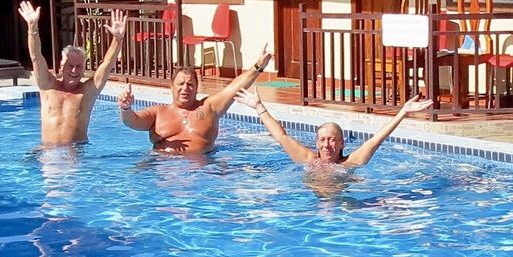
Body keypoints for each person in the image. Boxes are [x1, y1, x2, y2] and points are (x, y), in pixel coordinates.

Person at [118, 46, 272, 154]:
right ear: (171, 87)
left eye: (190, 84)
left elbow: (234, 88)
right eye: (181, 84)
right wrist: (126, 108)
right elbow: (133, 122)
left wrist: (258, 66)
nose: (185, 88)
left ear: (197, 88)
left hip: (203, 170)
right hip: (161, 166)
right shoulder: (158, 112)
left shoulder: (208, 107)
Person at [18, 2, 125, 145]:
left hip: (74, 155)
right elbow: (36, 56)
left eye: (79, 66)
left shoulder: (87, 92)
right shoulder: (47, 85)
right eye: (70, 66)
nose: (74, 71)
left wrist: (117, 39)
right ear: (62, 65)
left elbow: (107, 64)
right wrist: (32, 27)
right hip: (47, 152)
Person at [248, 90, 433, 169]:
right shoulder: (307, 160)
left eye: (331, 139)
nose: (326, 144)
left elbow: (377, 139)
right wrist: (258, 107)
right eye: (322, 139)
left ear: (342, 143)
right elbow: (281, 136)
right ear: (316, 143)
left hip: (342, 208)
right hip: (309, 206)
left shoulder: (350, 163)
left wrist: (403, 112)